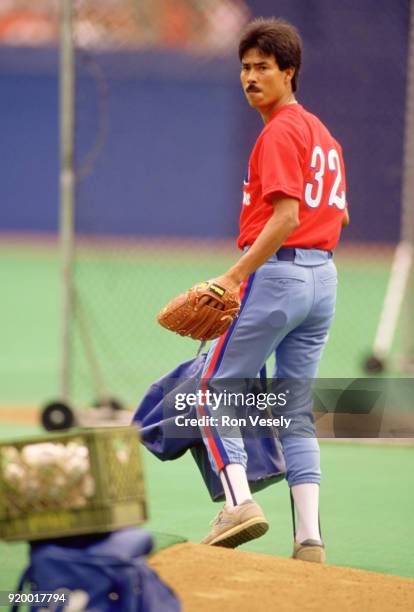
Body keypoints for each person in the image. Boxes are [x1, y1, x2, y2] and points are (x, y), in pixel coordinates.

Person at [196, 17, 349, 563]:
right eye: (245, 67)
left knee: (213, 389)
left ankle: (238, 504)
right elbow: (341, 212)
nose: (251, 76)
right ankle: (309, 539)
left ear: (290, 72)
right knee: (293, 411)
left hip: (279, 276)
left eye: (264, 67)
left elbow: (284, 217)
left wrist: (233, 276)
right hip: (322, 278)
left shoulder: (279, 131)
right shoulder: (321, 133)